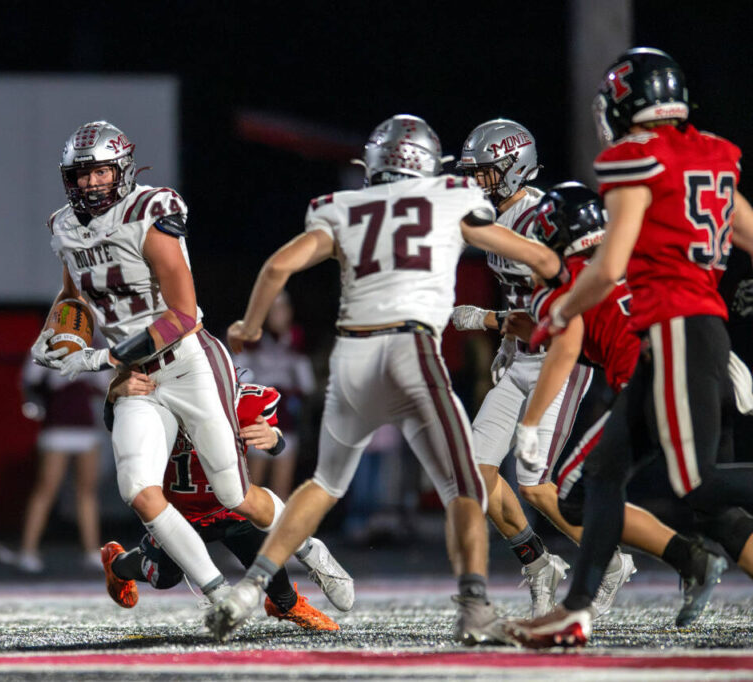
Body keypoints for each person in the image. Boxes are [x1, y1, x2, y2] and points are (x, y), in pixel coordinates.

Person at [207, 114, 568, 644]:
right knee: (466, 485)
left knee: (324, 484)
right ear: (428, 165)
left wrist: (249, 325)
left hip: (353, 354)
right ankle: (473, 606)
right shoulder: (446, 199)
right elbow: (539, 257)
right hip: (411, 350)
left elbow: (278, 268)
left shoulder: (342, 207)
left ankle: (250, 588)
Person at [32, 121, 351, 607]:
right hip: (137, 378)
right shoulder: (65, 227)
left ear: (120, 169)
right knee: (137, 488)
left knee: (234, 495)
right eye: (80, 175)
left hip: (186, 360)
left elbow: (181, 314)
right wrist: (56, 329)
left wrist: (107, 357)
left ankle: (312, 549)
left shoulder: (151, 211)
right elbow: (74, 293)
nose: (90, 184)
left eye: (99, 173)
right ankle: (220, 597)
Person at [508, 47, 753, 648]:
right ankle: (576, 610)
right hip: (682, 331)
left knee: (693, 484)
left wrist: (559, 311)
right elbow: (747, 229)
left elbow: (609, 262)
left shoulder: (635, 157)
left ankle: (576, 606)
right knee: (601, 474)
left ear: (623, 104)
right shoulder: (710, 153)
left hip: (674, 326)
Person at [515, 182, 732, 627]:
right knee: (703, 491)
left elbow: (569, 341)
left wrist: (530, 423)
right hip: (703, 357)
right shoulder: (633, 252)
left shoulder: (572, 278)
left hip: (651, 377)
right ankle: (690, 560)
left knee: (578, 487)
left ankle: (583, 603)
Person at [451, 119, 632, 618]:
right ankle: (537, 563)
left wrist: (486, 320)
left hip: (559, 355)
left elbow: (555, 311)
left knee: (536, 486)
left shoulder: (544, 217)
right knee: (473, 473)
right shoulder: (490, 213)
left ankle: (612, 558)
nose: (480, 182)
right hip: (519, 360)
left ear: (516, 166)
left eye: (487, 172)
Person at [102, 374, 340, 631]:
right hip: (180, 516)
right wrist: (115, 395)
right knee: (162, 577)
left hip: (233, 507)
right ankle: (118, 564)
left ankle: (285, 603)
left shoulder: (241, 402)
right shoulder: (160, 403)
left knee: (270, 556)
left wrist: (273, 437)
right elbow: (121, 422)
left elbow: (272, 434)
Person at [0, 355, 106, 573]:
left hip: (85, 425)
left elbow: (106, 383)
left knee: (87, 491)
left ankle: (91, 551)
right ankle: (28, 551)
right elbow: (29, 381)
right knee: (46, 489)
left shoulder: (94, 346)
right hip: (57, 425)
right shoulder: (46, 345)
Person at [234, 291, 315, 497]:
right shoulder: (252, 341)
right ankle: (248, 528)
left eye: (282, 309)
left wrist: (290, 386)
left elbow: (308, 385)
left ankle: (277, 529)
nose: (278, 314)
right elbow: (236, 374)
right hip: (258, 422)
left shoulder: (296, 342)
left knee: (281, 489)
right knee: (253, 488)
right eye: (272, 310)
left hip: (285, 423)